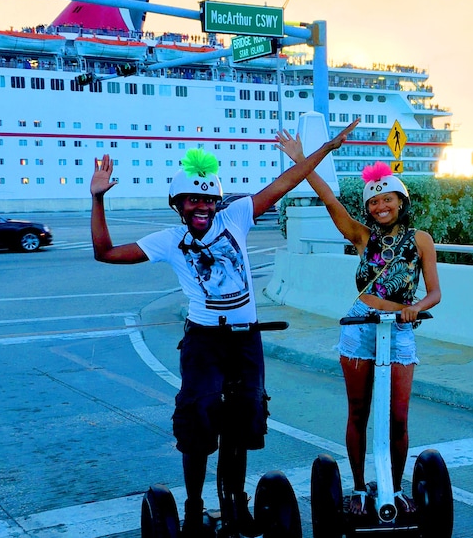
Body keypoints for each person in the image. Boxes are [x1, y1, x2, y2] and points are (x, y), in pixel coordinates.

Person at [90, 120, 359, 537]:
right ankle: (195, 504)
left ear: (217, 203)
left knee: (245, 415)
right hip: (204, 341)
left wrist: (326, 147)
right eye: (191, 200)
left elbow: (287, 181)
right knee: (199, 416)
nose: (201, 207)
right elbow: (105, 253)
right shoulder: (168, 240)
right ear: (178, 205)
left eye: (207, 200)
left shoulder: (236, 216)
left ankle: (235, 500)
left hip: (245, 338)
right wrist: (97, 199)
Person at [275, 131, 441, 517]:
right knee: (358, 411)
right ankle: (358, 487)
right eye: (374, 201)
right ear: (369, 208)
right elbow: (329, 199)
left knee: (399, 417)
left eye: (387, 198)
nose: (381, 205)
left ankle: (395, 489)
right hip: (360, 327)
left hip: (398, 331)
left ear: (401, 201)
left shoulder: (421, 240)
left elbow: (434, 292)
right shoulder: (363, 238)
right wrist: (302, 158)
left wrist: (415, 308)